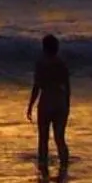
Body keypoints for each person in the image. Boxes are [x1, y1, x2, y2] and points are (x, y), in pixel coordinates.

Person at [26, 32, 71, 170]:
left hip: (46, 102)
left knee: (43, 139)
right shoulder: (62, 63)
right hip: (60, 102)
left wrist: (30, 105)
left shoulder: (41, 64)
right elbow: (67, 87)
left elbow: (37, 86)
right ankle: (64, 166)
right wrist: (67, 104)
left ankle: (43, 168)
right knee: (60, 138)